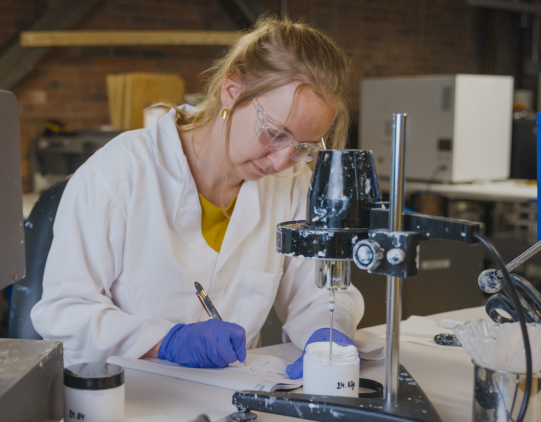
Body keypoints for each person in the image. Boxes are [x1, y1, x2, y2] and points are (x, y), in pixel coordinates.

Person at [31, 15, 364, 379]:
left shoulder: (291, 184)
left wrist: (327, 334)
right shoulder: (119, 172)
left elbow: (318, 292)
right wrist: (166, 342)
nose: (284, 161)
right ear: (231, 91)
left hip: (231, 399)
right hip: (131, 399)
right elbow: (64, 313)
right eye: (274, 133)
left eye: (302, 146)